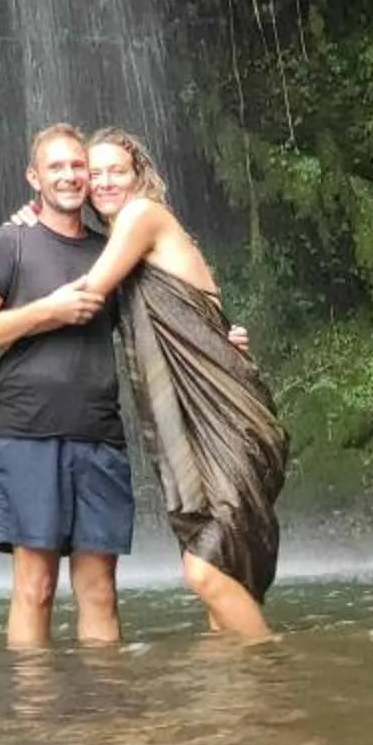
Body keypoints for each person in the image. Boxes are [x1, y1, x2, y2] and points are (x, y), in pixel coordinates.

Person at [46, 130, 287, 643]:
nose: (105, 181)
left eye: (118, 171)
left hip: (224, 414)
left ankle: (277, 674)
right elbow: (205, 314)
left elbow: (90, 293)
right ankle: (241, 710)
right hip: (196, 416)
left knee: (206, 572)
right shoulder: (134, 237)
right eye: (97, 173)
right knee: (225, 573)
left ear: (140, 177)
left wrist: (31, 232)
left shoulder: (142, 216)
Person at [0, 122, 133, 649]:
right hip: (28, 434)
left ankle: (102, 712)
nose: (70, 175)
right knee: (35, 588)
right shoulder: (8, 242)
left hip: (99, 436)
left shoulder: (112, 251)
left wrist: (224, 335)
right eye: (56, 166)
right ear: (33, 176)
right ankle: (33, 722)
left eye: (78, 164)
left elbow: (155, 326)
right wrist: (49, 311)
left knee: (100, 591)